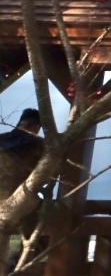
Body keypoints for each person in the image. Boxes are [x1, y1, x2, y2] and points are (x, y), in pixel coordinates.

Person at [0, 109, 45, 270]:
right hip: (20, 202)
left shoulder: (2, 139)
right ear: (37, 127)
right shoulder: (40, 145)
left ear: (20, 122)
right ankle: (19, 265)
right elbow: (48, 176)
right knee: (41, 226)